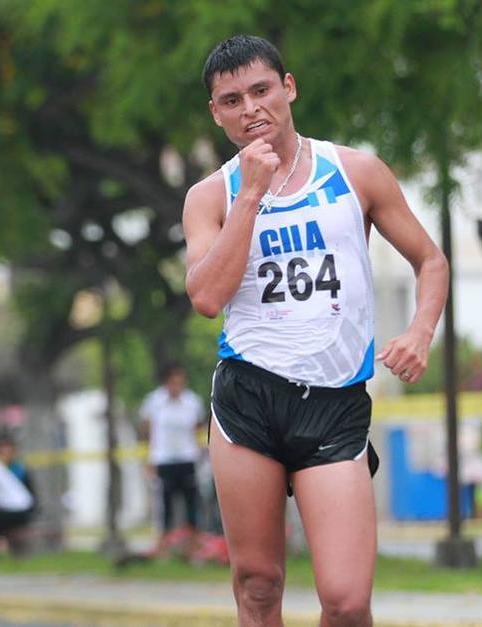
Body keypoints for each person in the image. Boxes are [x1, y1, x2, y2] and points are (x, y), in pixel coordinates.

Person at [183, 35, 448, 626]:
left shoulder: (355, 172)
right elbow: (205, 296)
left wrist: (420, 332)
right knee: (258, 586)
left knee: (347, 602)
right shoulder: (211, 196)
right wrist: (251, 194)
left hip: (333, 402)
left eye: (261, 90)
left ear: (289, 87)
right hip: (248, 399)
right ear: (216, 113)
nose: (251, 108)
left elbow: (430, 260)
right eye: (232, 100)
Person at [139, 365, 206, 552]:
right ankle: (163, 546)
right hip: (163, 459)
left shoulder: (192, 402)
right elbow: (147, 431)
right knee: (164, 504)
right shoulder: (154, 402)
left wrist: (201, 454)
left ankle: (192, 546)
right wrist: (148, 458)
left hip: (187, 458)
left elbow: (197, 430)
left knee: (191, 503)